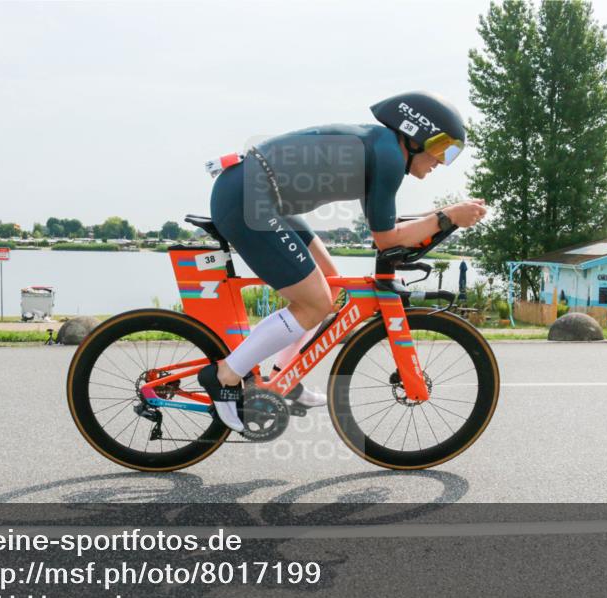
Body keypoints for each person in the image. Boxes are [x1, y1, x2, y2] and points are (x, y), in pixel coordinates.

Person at [199, 91, 487, 431]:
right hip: (249, 198)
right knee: (314, 303)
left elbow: (391, 227)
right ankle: (225, 376)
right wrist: (448, 215)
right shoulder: (388, 157)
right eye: (442, 149)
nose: (442, 161)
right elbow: (388, 239)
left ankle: (283, 379)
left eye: (450, 154)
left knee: (330, 290)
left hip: (256, 193)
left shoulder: (381, 148)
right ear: (415, 135)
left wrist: (447, 214)